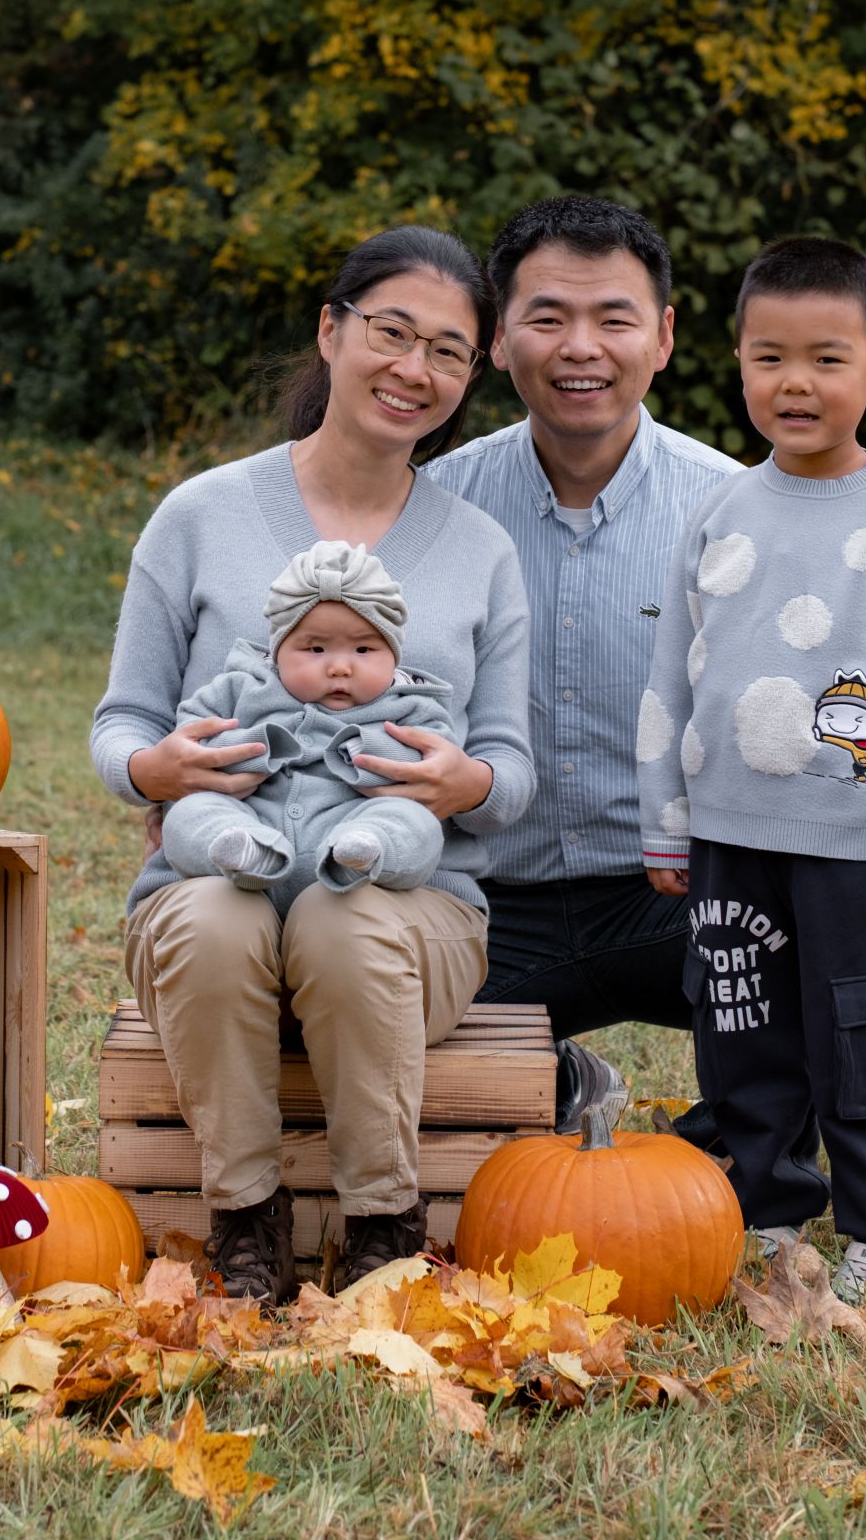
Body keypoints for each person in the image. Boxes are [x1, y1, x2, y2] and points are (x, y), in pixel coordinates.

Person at [90, 227, 535, 1303]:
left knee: (344, 917)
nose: (413, 367)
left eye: (446, 349)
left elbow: (511, 770)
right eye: (391, 331)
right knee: (215, 914)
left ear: (468, 375)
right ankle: (245, 1218)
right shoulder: (201, 514)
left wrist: (459, 783)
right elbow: (119, 726)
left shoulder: (478, 547)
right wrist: (161, 767)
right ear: (331, 329)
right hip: (216, 884)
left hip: (407, 901)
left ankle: (384, 1224)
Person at [426, 196, 866, 1135]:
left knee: (836, 959)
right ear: (499, 339)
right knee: (349, 1020)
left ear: (660, 337)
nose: (581, 346)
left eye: (612, 318)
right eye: (547, 318)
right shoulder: (432, 512)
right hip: (491, 903)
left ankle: (741, 1161)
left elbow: (850, 693)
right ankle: (558, 1084)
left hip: (692, 889)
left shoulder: (739, 512)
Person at [639, 236, 866, 1300]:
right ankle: (768, 1205)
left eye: (827, 359)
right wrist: (666, 821)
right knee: (742, 1030)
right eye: (769, 357)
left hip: (848, 841)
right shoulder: (719, 508)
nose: (796, 383)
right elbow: (672, 671)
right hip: (729, 839)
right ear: (736, 364)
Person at [161, 540, 455, 911]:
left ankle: (361, 856)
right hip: (249, 819)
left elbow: (436, 766)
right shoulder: (241, 686)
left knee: (415, 822)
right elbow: (191, 742)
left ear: (394, 655)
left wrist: (364, 750)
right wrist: (256, 747)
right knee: (189, 815)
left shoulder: (410, 704)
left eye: (363, 650)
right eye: (316, 650)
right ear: (278, 650)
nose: (340, 667)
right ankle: (247, 853)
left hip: (358, 825)